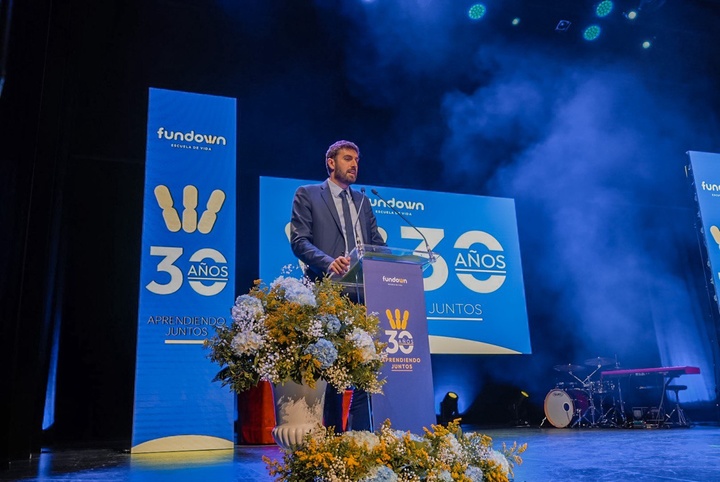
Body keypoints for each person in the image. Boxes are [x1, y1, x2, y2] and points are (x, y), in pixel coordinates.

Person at [290, 140, 386, 432]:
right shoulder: (307, 194)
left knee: (365, 367)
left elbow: (375, 245)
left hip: (363, 294)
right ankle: (332, 437)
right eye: (347, 158)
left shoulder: (362, 201)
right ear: (331, 162)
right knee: (333, 371)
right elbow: (299, 240)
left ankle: (359, 437)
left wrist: (391, 263)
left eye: (356, 159)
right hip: (329, 291)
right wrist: (329, 261)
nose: (354, 164)